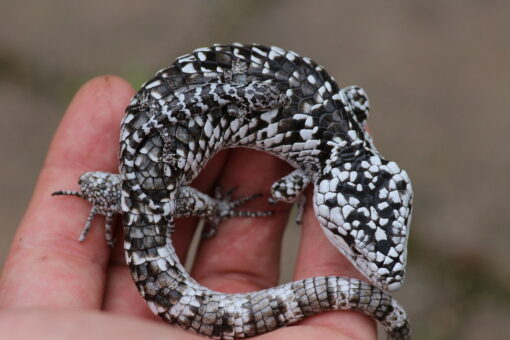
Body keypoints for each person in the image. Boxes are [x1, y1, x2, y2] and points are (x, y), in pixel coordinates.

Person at [0, 76, 376, 339]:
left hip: (143, 188)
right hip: (154, 189)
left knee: (106, 185)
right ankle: (220, 209)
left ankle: (214, 208)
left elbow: (88, 181)